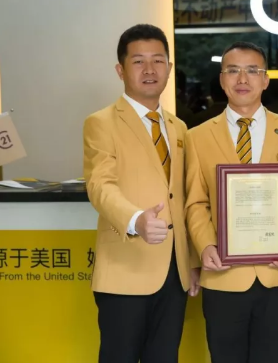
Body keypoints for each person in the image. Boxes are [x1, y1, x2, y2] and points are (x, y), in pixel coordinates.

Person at [83, 24, 200, 363]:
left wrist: (192, 261)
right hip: (126, 269)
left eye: (158, 61)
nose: (150, 70)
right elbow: (100, 185)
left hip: (174, 273)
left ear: (169, 68)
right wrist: (136, 220)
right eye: (138, 62)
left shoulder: (179, 128)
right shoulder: (101, 123)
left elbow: (185, 198)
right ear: (120, 70)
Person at [185, 42, 278, 363]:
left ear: (265, 80)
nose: (242, 79)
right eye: (233, 70)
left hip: (276, 270)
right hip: (223, 273)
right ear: (222, 80)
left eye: (252, 70)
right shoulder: (197, 137)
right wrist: (205, 246)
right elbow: (196, 201)